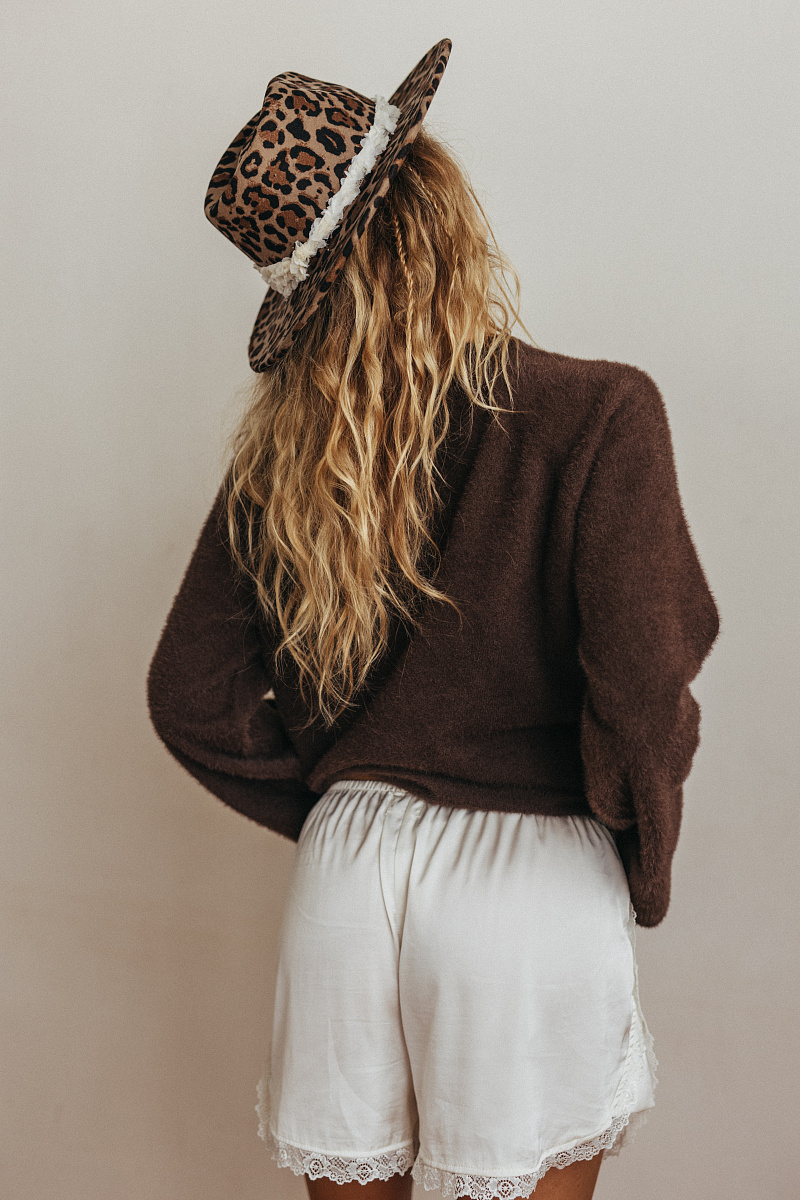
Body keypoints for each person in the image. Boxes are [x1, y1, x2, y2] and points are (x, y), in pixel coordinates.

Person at [147, 39, 720, 1200]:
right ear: (442, 220)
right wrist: (641, 862)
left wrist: (345, 795)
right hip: (530, 874)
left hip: (347, 876)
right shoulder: (597, 413)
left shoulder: (283, 463)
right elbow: (638, 692)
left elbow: (188, 696)